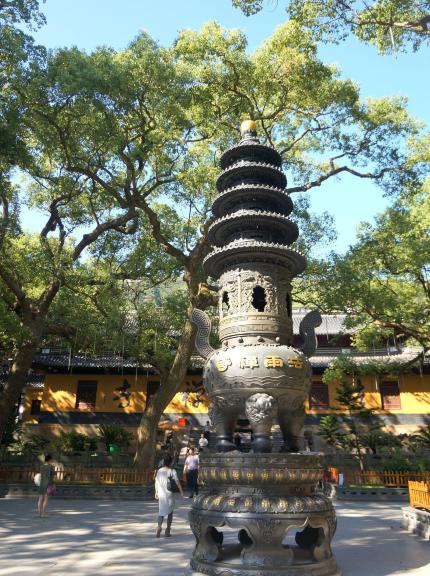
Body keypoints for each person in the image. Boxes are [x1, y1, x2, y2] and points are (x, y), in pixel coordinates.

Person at [154, 453, 184, 538]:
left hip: (161, 494)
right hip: (169, 494)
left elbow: (156, 482)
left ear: (164, 462)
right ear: (170, 462)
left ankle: (159, 527)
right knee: (170, 512)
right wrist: (181, 491)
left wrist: (156, 492)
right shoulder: (172, 471)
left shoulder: (159, 471)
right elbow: (177, 482)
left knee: (161, 512)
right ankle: (167, 530)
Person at [37, 453, 55, 517]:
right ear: (50, 459)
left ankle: (39, 513)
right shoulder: (51, 467)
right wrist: (53, 484)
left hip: (42, 484)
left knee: (40, 499)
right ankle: (43, 513)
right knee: (46, 499)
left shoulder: (41, 467)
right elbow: (52, 476)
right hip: (48, 484)